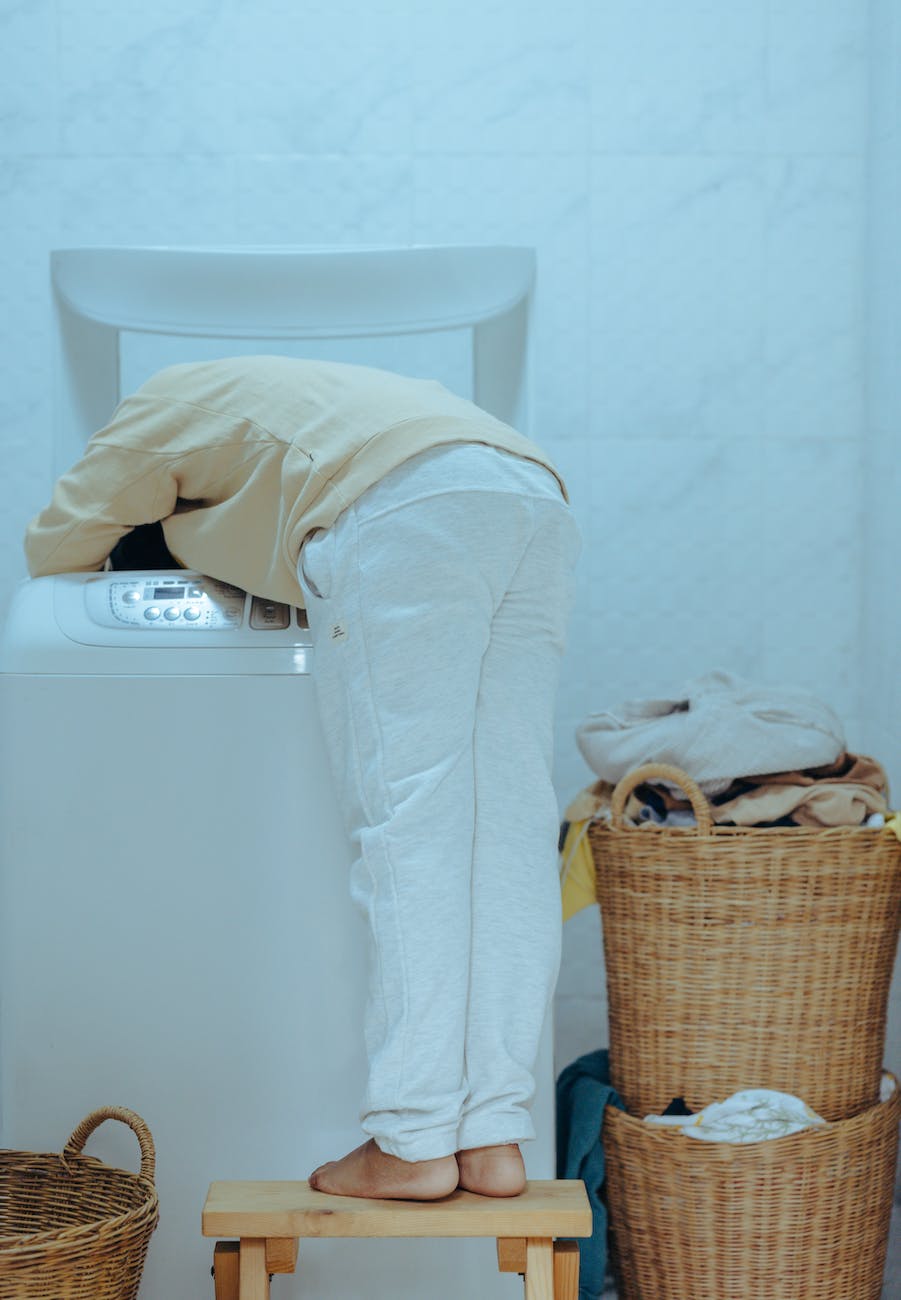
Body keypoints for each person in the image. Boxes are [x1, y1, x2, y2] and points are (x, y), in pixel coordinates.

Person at [25, 354, 581, 1200]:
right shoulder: (296, 398)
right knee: (506, 830)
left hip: (403, 507)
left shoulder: (157, 402)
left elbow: (61, 542)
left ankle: (411, 1140)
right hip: (528, 493)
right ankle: (492, 1136)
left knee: (410, 827)